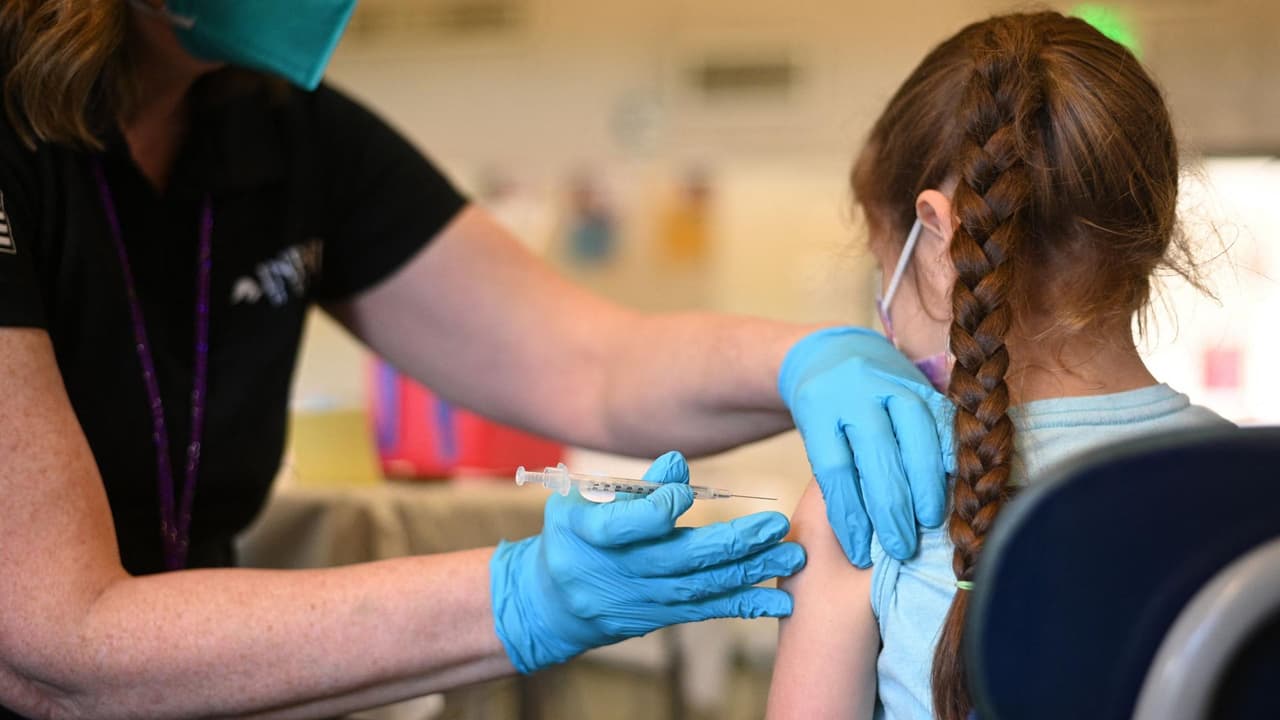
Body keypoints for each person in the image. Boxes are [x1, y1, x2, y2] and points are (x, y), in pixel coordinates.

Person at [0, 2, 946, 717]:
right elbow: (58, 648)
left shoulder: (282, 132)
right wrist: (528, 595)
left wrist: (806, 358)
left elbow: (593, 362)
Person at [766, 11, 1235, 720]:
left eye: (881, 257)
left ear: (938, 233)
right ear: (1154, 225)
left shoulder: (861, 507)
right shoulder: (1252, 483)